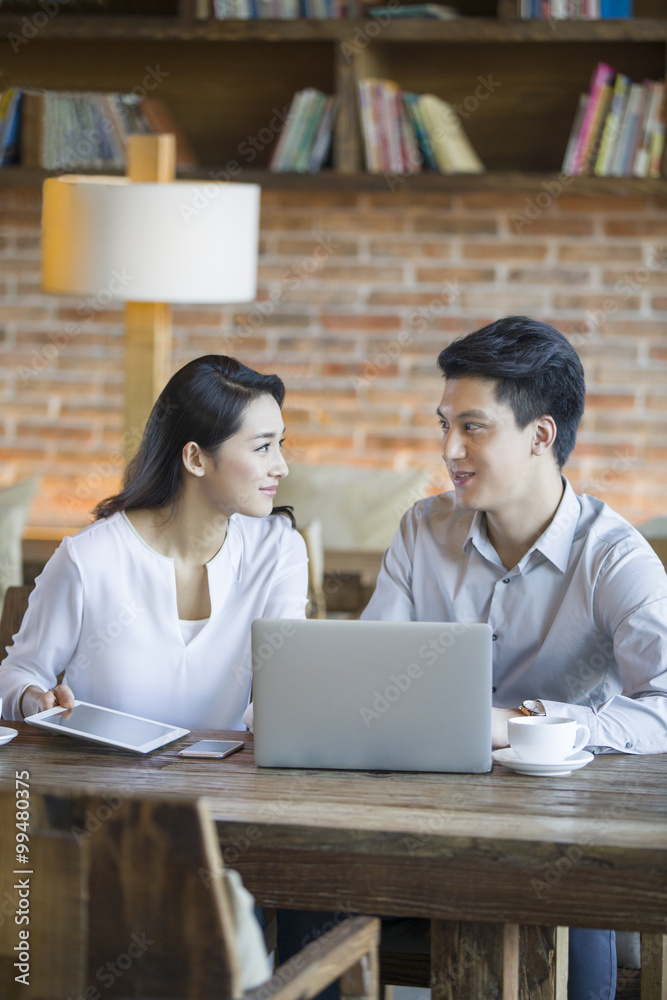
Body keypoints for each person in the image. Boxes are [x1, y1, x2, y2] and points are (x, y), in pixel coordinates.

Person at [360, 315, 667, 1000]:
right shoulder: (422, 528)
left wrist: (529, 723)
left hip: (559, 833)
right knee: (303, 880)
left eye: (472, 427)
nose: (448, 448)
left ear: (539, 435)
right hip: (424, 813)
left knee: (569, 884)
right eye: (444, 424)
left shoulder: (612, 555)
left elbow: (665, 708)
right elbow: (370, 669)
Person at [0, 354, 308, 729]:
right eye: (263, 447)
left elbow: (287, 686)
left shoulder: (278, 549)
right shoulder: (89, 558)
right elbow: (18, 673)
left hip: (222, 783)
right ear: (195, 458)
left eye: (280, 444)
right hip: (99, 781)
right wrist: (34, 698)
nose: (282, 466)